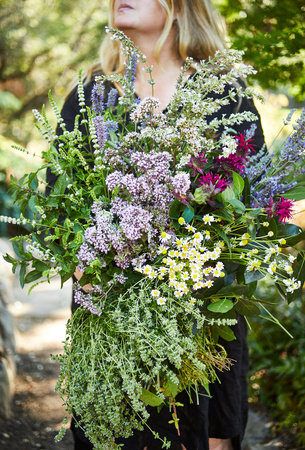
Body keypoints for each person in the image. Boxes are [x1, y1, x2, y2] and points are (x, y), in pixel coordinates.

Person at [47, 1, 265, 449]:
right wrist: (82, 258)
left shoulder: (225, 97)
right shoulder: (91, 94)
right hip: (109, 324)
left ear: (181, 7)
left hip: (202, 323)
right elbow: (58, 195)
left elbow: (252, 207)